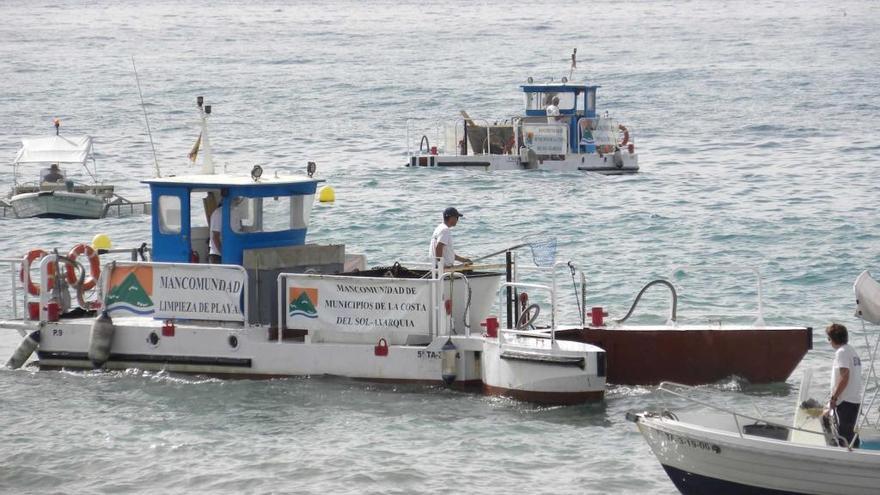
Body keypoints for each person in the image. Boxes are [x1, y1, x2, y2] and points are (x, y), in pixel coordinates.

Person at [825, 323, 862, 447]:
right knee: (851, 435)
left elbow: (844, 376)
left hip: (845, 402)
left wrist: (834, 397)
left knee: (844, 437)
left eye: (829, 339)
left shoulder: (841, 352)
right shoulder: (851, 350)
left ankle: (849, 462)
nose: (829, 342)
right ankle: (857, 459)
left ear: (833, 339)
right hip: (854, 400)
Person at [209, 199, 223, 264]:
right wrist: (224, 254)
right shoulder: (218, 213)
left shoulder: (235, 211)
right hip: (217, 255)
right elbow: (215, 237)